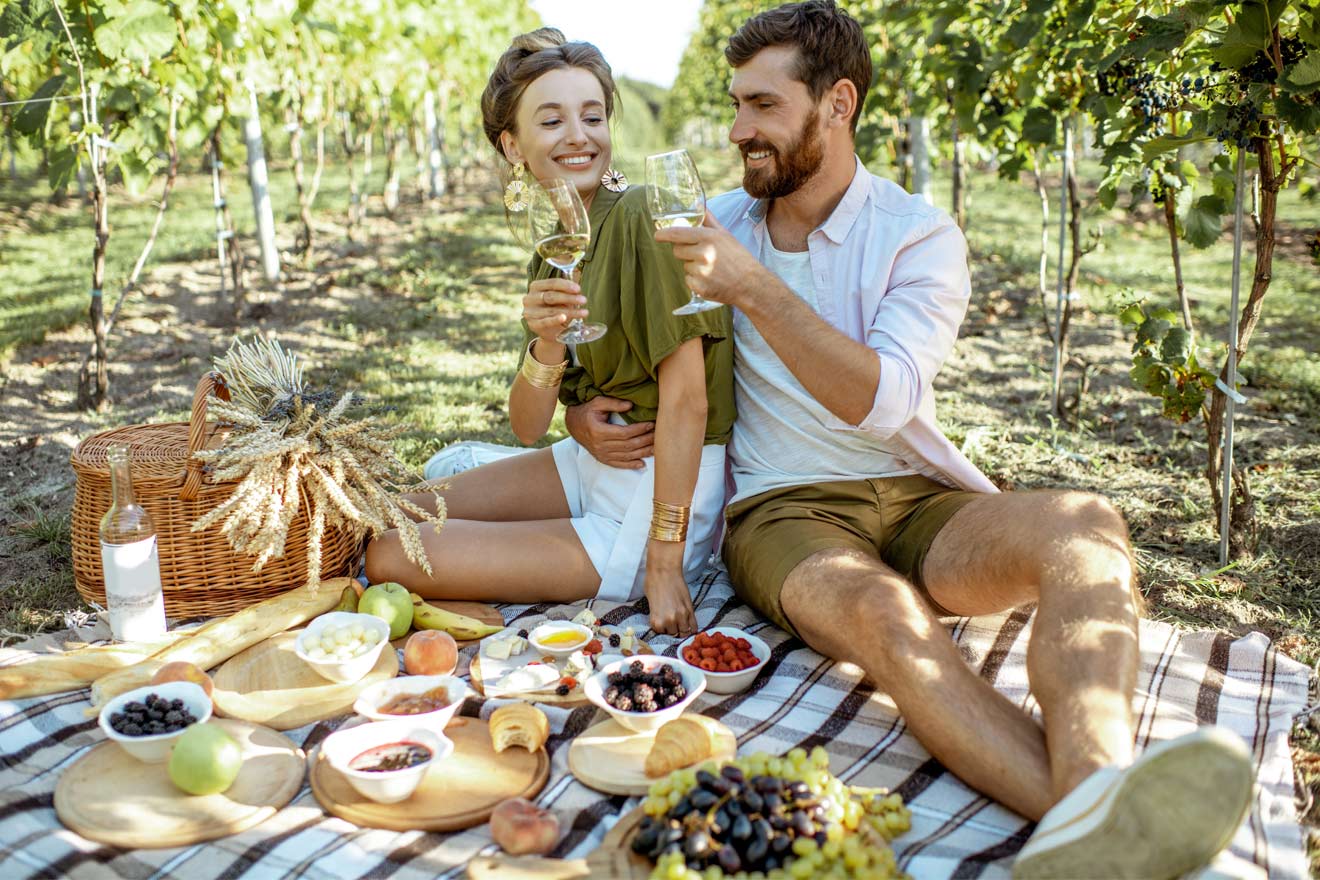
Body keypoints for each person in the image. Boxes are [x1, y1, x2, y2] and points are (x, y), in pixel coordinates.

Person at [564, 2, 1254, 876]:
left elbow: (885, 404)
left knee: (1089, 526)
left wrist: (755, 292)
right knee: (887, 617)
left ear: (838, 103)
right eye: (736, 105)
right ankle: (1112, 827)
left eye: (763, 106)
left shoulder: (919, 235)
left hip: (914, 494)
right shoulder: (719, 227)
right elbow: (639, 349)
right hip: (783, 512)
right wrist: (577, 408)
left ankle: (1096, 784)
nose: (739, 130)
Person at [365, 29, 734, 636]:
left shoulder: (644, 216)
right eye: (553, 120)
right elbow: (527, 426)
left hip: (652, 499)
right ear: (513, 145)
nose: (579, 137)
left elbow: (691, 403)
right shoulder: (558, 242)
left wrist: (665, 563)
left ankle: (481, 574)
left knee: (389, 554)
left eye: (592, 116)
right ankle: (472, 573)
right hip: (590, 462)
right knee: (399, 512)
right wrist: (549, 345)